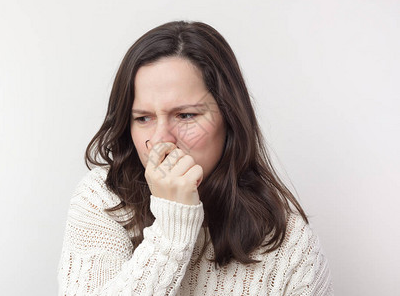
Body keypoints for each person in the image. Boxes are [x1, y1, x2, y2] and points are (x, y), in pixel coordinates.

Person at [58, 21, 333, 295]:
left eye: (185, 115)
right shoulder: (102, 201)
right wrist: (173, 223)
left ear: (230, 117)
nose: (163, 139)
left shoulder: (291, 246)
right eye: (143, 118)